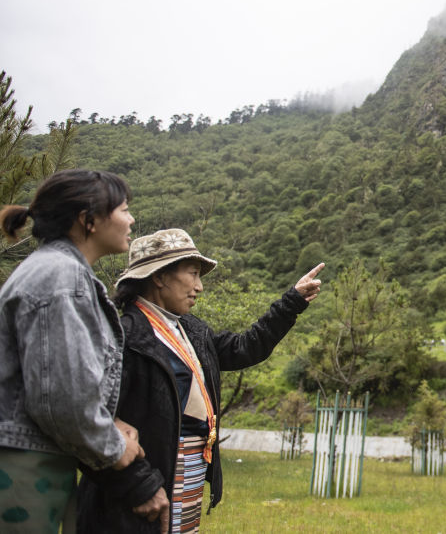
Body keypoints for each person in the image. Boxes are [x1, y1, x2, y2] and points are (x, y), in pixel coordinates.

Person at [75, 228, 324, 533]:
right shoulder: (122, 337)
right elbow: (88, 425)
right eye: (192, 274)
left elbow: (245, 348)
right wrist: (138, 485)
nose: (199, 287)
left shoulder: (192, 331)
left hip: (186, 482)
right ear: (159, 277)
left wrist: (292, 302)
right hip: (139, 491)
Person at [0, 169, 144, 533]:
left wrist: (105, 422)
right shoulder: (61, 278)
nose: (131, 219)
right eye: (124, 209)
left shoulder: (59, 271)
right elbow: (61, 400)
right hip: (22, 467)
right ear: (89, 221)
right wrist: (114, 445)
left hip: (35, 459)